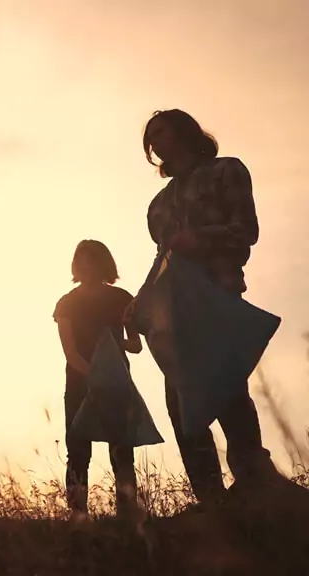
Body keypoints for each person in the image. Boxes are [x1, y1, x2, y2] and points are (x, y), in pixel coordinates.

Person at [136, 108, 277, 503]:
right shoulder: (158, 205)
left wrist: (199, 238)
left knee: (228, 392)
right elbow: (160, 259)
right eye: (150, 139)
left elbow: (245, 230)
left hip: (218, 297)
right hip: (174, 316)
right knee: (180, 405)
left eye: (161, 132)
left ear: (185, 131)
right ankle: (209, 499)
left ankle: (254, 484)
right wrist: (141, 300)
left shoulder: (226, 171)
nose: (154, 143)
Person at [54, 240, 144, 521]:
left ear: (104, 264)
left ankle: (128, 512)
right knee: (78, 449)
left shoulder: (122, 298)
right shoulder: (67, 303)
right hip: (81, 384)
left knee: (122, 449)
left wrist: (117, 343)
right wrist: (94, 375)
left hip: (117, 382)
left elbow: (136, 344)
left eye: (92, 260)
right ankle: (78, 514)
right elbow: (70, 353)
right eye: (82, 261)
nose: (87, 267)